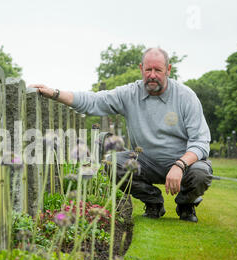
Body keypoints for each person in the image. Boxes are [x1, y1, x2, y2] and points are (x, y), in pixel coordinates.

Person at [29, 47, 213, 223]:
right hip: (146, 162)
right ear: (141, 69)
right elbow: (93, 101)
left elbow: (201, 141)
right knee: (112, 164)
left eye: (158, 70)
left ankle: (186, 204)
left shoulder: (186, 97)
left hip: (183, 163)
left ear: (169, 70)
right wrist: (55, 93)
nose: (152, 75)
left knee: (201, 174)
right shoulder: (129, 94)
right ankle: (153, 203)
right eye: (148, 69)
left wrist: (179, 165)